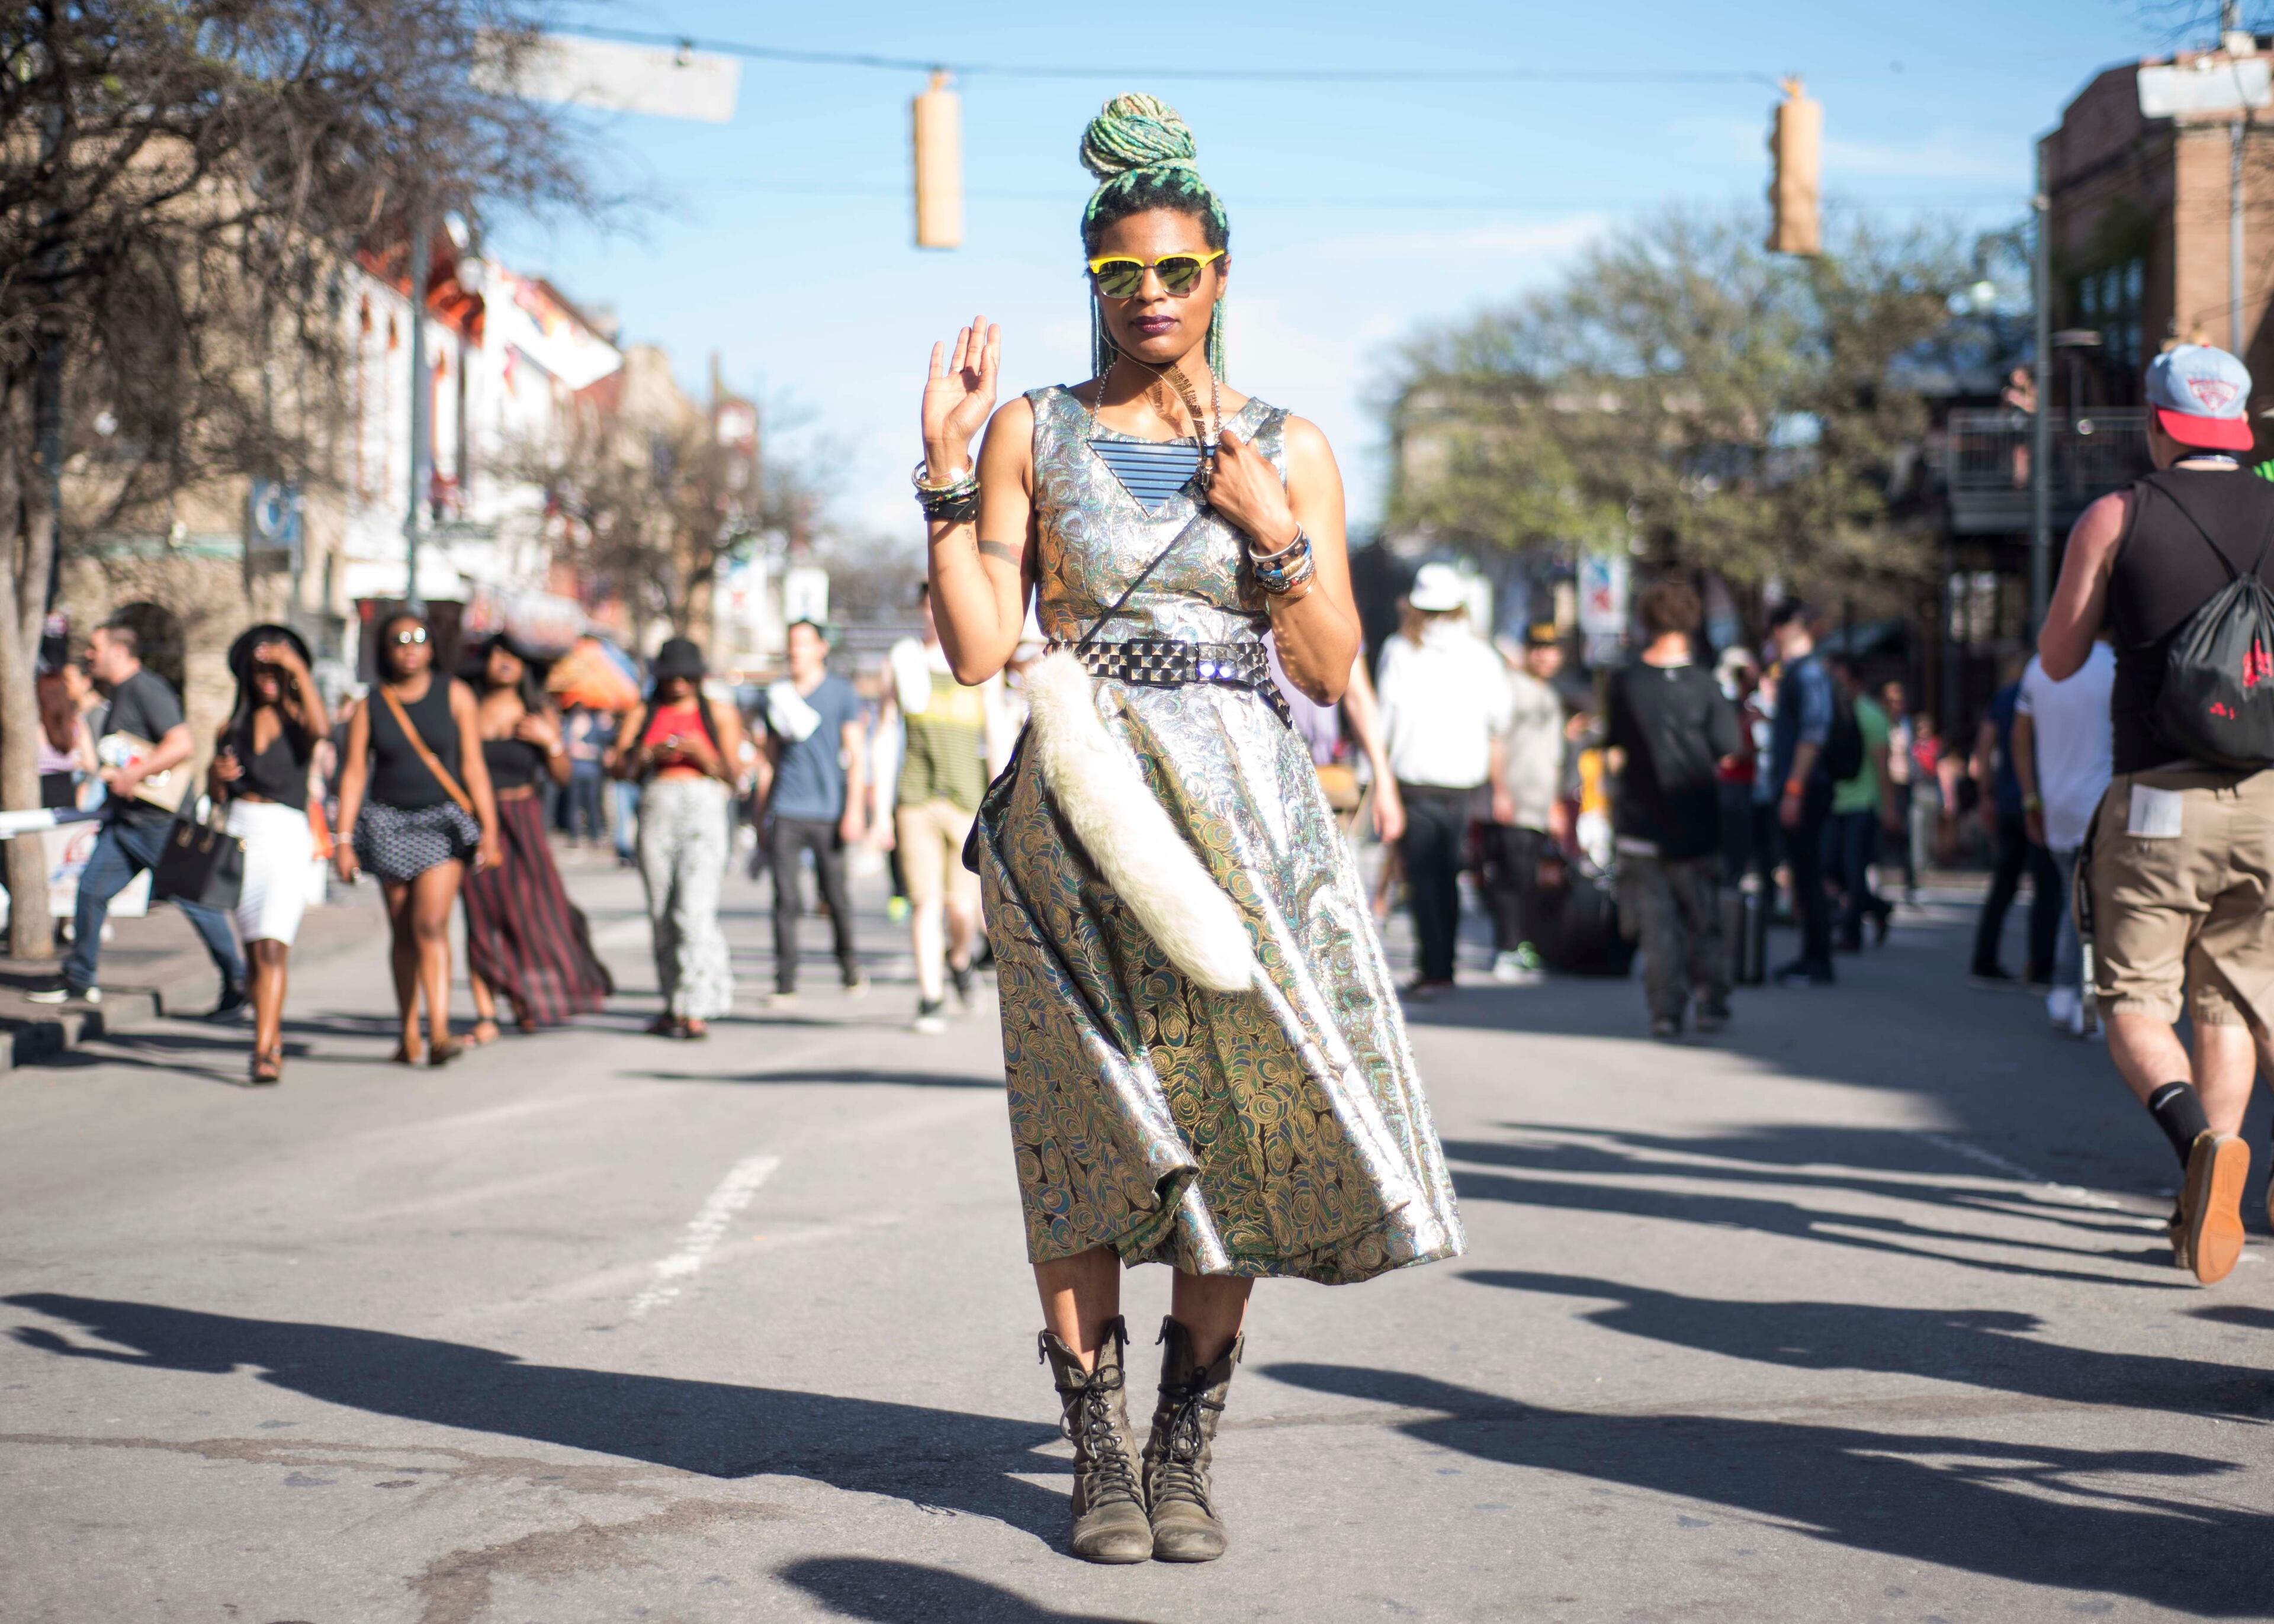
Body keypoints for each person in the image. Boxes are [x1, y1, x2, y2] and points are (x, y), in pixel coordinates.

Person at [913, 92, 1460, 1565]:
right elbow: (975, 648)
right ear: (1089, 282)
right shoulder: (1037, 427)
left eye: (1173, 270)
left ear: (1221, 271)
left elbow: (1331, 668)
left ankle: (1182, 1443)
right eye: (1116, 275)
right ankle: (1094, 1453)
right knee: (1081, 1128)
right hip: (1076, 816)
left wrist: (1270, 523)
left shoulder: (1291, 442)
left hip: (1247, 824)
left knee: (1225, 1131)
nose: (1146, 296)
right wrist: (945, 475)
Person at [2037, 342, 2274, 1283]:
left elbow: (2058, 658)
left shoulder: (2119, 514)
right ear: (2241, 424)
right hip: (2269, 797)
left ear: (2158, 424)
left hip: (2159, 799)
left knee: (2136, 1000)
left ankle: (2197, 1151)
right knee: (2231, 995)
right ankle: (2205, 1197)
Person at [33, 618, 245, 1014]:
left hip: (158, 823)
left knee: (194, 900)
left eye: (95, 648)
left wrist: (134, 774)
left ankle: (238, 977)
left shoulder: (146, 688)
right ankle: (80, 975)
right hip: (127, 822)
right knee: (91, 891)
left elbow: (182, 742)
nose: (89, 656)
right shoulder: (120, 692)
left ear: (119, 650)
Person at [333, 612, 500, 1066]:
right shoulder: (371, 705)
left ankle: (440, 1031)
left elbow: (474, 768)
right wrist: (343, 840)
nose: (409, 647)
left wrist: (490, 829)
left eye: (418, 638)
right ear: (385, 650)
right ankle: (408, 1032)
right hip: (387, 822)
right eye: (398, 640)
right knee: (404, 930)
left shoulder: (456, 695)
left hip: (442, 824)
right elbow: (352, 775)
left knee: (430, 923)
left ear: (432, 646)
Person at [1605, 580, 1742, 1038]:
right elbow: (1729, 748)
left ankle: (1665, 1010)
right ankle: (1712, 1003)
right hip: (1697, 815)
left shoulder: (1625, 682)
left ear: (1645, 621)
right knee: (1705, 916)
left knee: (1657, 923)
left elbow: (1614, 746)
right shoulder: (1705, 684)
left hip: (1641, 819)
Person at [1375, 561, 1515, 998]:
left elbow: (1384, 722)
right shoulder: (1482, 655)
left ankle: (1432, 967)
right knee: (1448, 874)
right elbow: (1502, 719)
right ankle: (1444, 967)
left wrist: (1376, 781)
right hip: (1461, 785)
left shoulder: (1400, 650)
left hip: (1414, 783)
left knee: (1421, 875)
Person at [461, 635, 611, 1041]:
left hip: (522, 817)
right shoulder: (467, 706)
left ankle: (527, 997)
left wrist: (551, 741)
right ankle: (486, 1012)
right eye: (496, 654)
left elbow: (561, 777)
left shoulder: (538, 710)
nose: (504, 661)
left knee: (530, 912)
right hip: (475, 820)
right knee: (480, 915)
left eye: (513, 655)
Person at [209, 625, 326, 1085]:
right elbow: (217, 796)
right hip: (241, 833)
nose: (269, 677)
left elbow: (324, 729)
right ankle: (269, 1033)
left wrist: (294, 663)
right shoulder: (230, 727)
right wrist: (215, 774)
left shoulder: (300, 721)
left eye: (277, 670)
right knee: (256, 950)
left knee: (275, 944)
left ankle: (264, 1048)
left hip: (284, 834)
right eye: (261, 669)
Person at [611, 638, 744, 1040]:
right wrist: (649, 754)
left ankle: (698, 1004)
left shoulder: (718, 712)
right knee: (662, 910)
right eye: (673, 677)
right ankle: (674, 1002)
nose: (680, 684)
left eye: (688, 676)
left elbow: (735, 775)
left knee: (694, 909)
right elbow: (618, 767)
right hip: (657, 809)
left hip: (703, 808)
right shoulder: (643, 713)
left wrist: (703, 755)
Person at [889, 585, 993, 1033]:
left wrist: (1003, 804)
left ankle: (958, 960)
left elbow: (1000, 738)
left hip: (967, 802)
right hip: (916, 798)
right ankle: (930, 997)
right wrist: (877, 813)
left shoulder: (980, 666)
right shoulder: (904, 662)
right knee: (924, 902)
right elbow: (883, 734)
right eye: (929, 604)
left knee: (961, 910)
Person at [753, 620, 868, 1008]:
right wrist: (760, 813)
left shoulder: (841, 693)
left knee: (835, 896)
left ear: (821, 647)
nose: (796, 650)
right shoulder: (777, 695)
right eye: (792, 643)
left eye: (804, 643)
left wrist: (854, 809)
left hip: (828, 811)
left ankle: (849, 966)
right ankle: (785, 981)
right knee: (785, 897)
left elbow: (856, 756)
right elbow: (768, 759)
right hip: (788, 808)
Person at [2012, 639, 2115, 1037]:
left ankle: (2065, 994)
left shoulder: (2040, 665)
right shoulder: (2114, 665)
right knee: (2095, 911)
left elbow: (2019, 738)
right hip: (2101, 804)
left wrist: (2030, 798)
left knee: (2075, 904)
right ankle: (2085, 1004)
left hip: (2056, 806)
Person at [1969, 658, 2061, 990]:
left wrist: (1985, 794)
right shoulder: (2048, 693)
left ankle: (1984, 959)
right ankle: (2041, 967)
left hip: (2010, 802)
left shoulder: (2007, 696)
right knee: (2046, 888)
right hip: (2036, 801)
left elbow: (1984, 745)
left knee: (2004, 885)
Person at [1485, 624, 1568, 983]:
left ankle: (1524, 944)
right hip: (1514, 800)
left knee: (1531, 878)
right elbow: (1496, 741)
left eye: (1551, 648)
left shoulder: (1549, 694)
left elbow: (1553, 758)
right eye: (1538, 647)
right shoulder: (1511, 687)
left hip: (1539, 804)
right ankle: (1508, 947)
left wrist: (1555, 803)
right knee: (1511, 878)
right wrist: (1500, 790)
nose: (1545, 655)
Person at [1764, 603, 1838, 986]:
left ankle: (1817, 960)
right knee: (1804, 875)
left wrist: (1794, 788)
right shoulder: (1800, 671)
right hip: (1802, 787)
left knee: (1809, 875)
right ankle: (1812, 956)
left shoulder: (1807, 671)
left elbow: (1813, 733)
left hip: (1805, 788)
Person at [1825, 655, 1895, 952]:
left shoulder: (1872, 716)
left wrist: (1889, 808)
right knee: (1831, 870)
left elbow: (1882, 767)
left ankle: (1852, 933)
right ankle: (1877, 908)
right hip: (1834, 804)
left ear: (1856, 682)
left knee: (1855, 871)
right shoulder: (1831, 712)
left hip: (1862, 806)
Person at [35, 662, 96, 809]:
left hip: (37, 792)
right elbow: (91, 765)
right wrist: (71, 762)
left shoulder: (35, 727)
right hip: (67, 793)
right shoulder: (76, 724)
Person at [1881, 680, 1919, 902]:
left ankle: (1910, 882)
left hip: (1904, 782)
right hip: (1886, 782)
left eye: (1899, 700)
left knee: (1906, 833)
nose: (1897, 704)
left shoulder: (1906, 724)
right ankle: (1878, 881)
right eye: (1892, 700)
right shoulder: (1882, 723)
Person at [560, 703, 613, 846]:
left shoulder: (596, 724)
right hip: (574, 769)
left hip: (592, 770)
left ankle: (595, 834)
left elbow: (606, 743)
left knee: (593, 803)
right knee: (573, 803)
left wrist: (607, 724)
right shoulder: (567, 724)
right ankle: (574, 835)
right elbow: (562, 744)